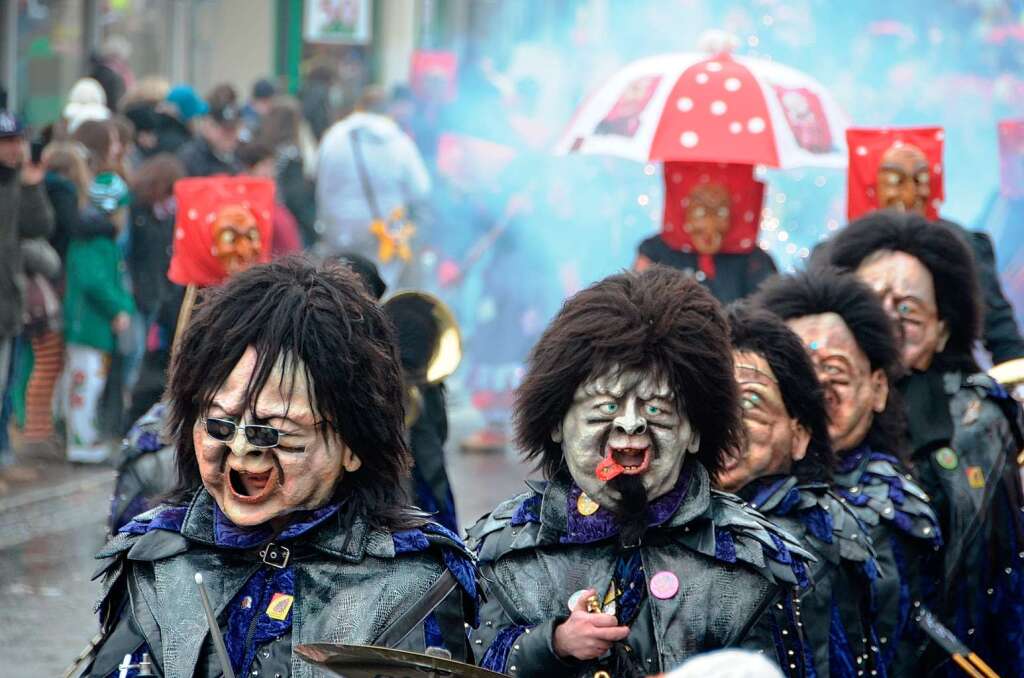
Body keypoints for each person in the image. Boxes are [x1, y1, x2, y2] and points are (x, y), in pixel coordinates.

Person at [80, 258, 479, 678]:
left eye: (272, 432)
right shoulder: (157, 559)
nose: (239, 449)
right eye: (219, 423)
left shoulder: (414, 583)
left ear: (352, 446)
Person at [467, 266, 813, 678]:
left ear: (695, 432)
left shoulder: (750, 562)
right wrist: (552, 643)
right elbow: (462, 661)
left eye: (655, 409)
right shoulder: (501, 549)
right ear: (558, 424)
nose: (630, 425)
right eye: (606, 407)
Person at [825, 211, 1024, 676]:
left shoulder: (980, 422)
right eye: (872, 301)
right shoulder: (807, 408)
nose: (888, 317)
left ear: (942, 330)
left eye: (909, 308)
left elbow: (997, 581)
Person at [753, 269, 943, 675]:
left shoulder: (894, 506)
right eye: (800, 373)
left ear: (877, 388)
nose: (818, 385)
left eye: (835, 370)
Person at [717, 304, 882, 677]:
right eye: (713, 409)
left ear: (799, 435)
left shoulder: (822, 534)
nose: (729, 428)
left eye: (751, 408)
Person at [843, 126, 1024, 364]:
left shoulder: (961, 245)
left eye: (921, 179)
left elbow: (1000, 331)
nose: (910, 194)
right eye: (895, 181)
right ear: (871, 186)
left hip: (944, 382)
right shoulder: (842, 253)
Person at [62, 153, 135, 463]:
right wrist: (119, 307)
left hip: (95, 327)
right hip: (88, 325)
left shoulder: (98, 239)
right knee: (84, 382)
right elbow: (96, 282)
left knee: (92, 381)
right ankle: (80, 441)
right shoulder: (94, 241)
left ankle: (87, 436)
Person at [316, 86, 430, 279]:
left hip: (337, 233)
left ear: (360, 107)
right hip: (383, 237)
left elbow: (315, 173)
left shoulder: (333, 137)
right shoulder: (399, 142)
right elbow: (421, 189)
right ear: (387, 110)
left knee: (339, 288)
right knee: (379, 292)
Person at [635, 162, 776, 303]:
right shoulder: (655, 252)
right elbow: (636, 304)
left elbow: (770, 314)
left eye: (720, 212)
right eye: (700, 212)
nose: (710, 223)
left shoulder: (754, 260)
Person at [0, 110, 54, 469]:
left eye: (18, 140)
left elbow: (39, 226)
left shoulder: (15, 183)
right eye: (8, 142)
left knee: (6, 385)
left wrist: (32, 185)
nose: (16, 148)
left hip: (7, 304)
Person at [256, 97, 319, 247]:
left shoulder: (264, 149)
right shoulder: (292, 153)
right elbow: (296, 196)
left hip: (265, 215)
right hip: (288, 221)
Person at [236, 142, 302, 257]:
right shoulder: (245, 203)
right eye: (265, 165)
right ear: (248, 170)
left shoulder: (271, 195)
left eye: (272, 166)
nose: (271, 172)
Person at [177, 84, 243, 177]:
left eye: (234, 128)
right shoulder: (190, 160)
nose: (230, 135)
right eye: (225, 129)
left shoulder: (239, 157)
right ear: (207, 125)